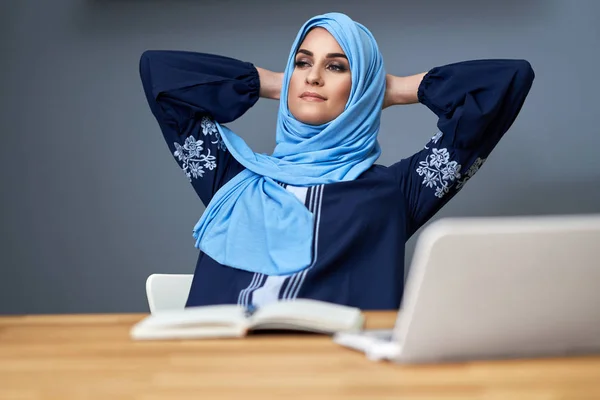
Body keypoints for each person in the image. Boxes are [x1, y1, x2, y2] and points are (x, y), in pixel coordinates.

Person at [139, 12, 535, 310]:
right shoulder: (231, 177)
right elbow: (161, 73)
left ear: (361, 85)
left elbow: (505, 82)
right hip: (218, 371)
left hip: (338, 377)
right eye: (303, 62)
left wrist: (391, 88)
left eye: (336, 66)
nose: (312, 77)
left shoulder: (397, 192)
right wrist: (278, 83)